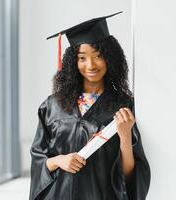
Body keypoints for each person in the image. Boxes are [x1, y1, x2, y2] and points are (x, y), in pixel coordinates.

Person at [29, 11, 150, 200]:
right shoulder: (52, 106)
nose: (91, 65)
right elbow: (39, 161)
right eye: (82, 58)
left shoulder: (123, 105)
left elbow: (129, 176)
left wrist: (125, 136)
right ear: (72, 62)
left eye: (98, 55)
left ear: (110, 57)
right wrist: (60, 160)